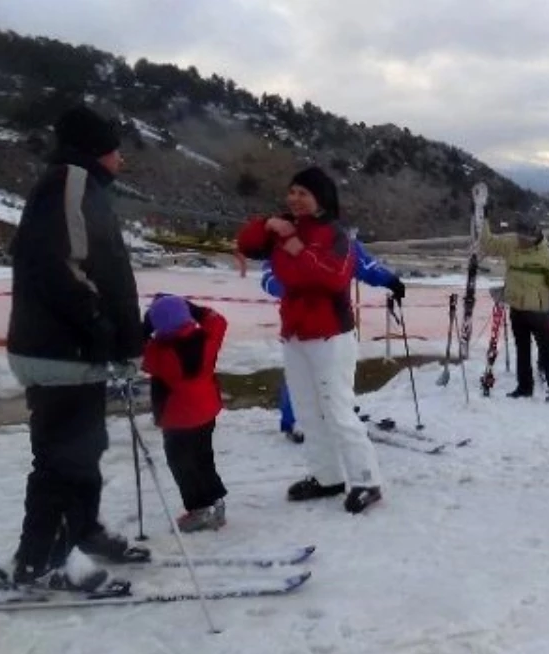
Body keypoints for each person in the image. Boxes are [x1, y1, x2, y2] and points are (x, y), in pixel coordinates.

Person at [3, 104, 148, 593]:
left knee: (84, 449)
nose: (120, 161)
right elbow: (60, 263)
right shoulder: (69, 182)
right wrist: (99, 324)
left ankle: (80, 530)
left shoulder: (81, 186)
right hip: (63, 348)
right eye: (115, 151)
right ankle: (42, 559)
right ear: (96, 151)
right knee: (63, 458)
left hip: (79, 351)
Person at [235, 166, 383, 514]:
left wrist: (293, 245)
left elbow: (331, 278)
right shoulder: (285, 227)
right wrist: (270, 225)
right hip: (296, 332)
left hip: (331, 334)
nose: (294, 199)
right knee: (306, 410)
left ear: (321, 198)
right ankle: (326, 476)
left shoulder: (336, 235)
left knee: (337, 408)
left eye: (303, 193)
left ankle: (366, 479)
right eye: (292, 191)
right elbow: (246, 243)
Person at [261, 236, 406, 443]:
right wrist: (298, 284)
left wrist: (391, 281)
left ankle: (338, 414)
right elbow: (268, 279)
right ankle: (295, 421)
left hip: (336, 325)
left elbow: (367, 267)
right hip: (299, 326)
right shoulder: (286, 242)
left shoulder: (342, 242)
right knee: (300, 377)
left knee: (339, 374)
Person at [141, 294, 229, 532]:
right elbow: (218, 320)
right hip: (206, 411)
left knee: (182, 464)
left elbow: (140, 353)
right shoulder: (207, 339)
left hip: (178, 420)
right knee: (203, 457)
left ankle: (199, 509)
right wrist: (196, 309)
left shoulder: (161, 353)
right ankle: (215, 500)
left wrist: (144, 329)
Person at [478, 217, 549, 401]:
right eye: (519, 237)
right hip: (518, 309)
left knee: (547, 352)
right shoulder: (512, 245)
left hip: (541, 312)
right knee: (522, 350)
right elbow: (488, 245)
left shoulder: (547, 257)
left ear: (534, 236)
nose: (521, 241)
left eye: (524, 238)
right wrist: (483, 219)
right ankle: (525, 387)